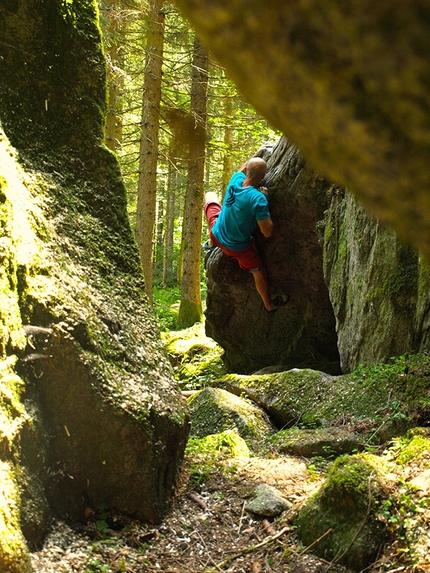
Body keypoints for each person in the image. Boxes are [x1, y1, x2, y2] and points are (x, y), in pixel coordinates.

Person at [203, 156, 289, 314]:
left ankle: (210, 243)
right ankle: (269, 306)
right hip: (237, 248)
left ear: (246, 171)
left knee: (209, 196)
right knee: (258, 271)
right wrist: (265, 201)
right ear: (263, 176)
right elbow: (267, 232)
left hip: (216, 232)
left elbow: (244, 168)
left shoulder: (236, 179)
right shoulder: (257, 199)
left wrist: (255, 158)